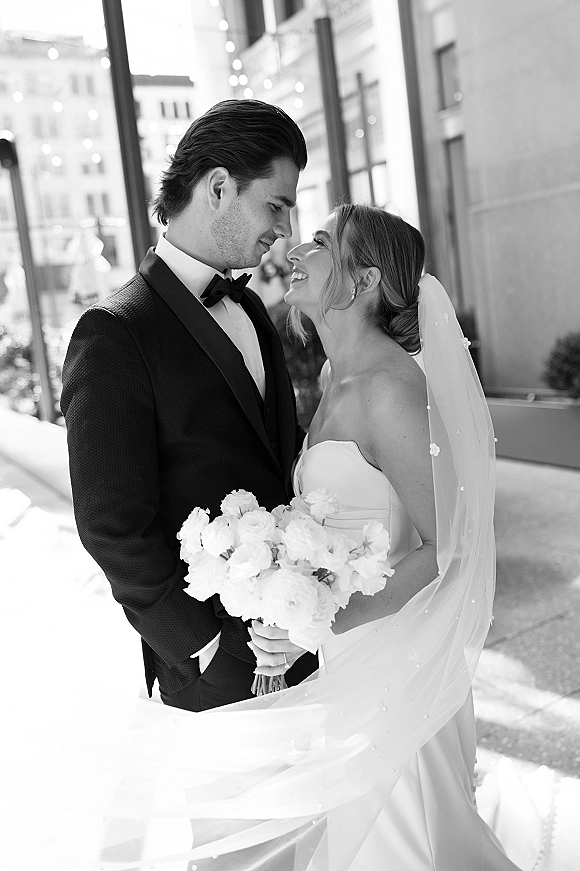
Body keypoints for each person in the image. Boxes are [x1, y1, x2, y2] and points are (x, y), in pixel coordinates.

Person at [60, 99, 317, 713]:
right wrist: (201, 648)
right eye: (275, 205)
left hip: (302, 639)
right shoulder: (115, 332)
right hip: (210, 672)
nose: (284, 228)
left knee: (317, 815)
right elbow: (110, 525)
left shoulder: (253, 308)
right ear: (220, 187)